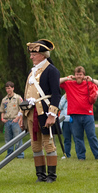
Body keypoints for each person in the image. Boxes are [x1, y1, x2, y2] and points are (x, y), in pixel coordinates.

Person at [19, 39, 61, 182]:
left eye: (34, 54)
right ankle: (40, 175)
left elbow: (56, 94)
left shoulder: (52, 70)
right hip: (31, 112)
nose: (31, 57)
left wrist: (52, 115)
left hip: (44, 112)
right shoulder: (33, 71)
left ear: (43, 55)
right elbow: (27, 94)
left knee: (48, 143)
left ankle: (51, 175)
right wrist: (22, 115)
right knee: (35, 144)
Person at [59, 66, 98, 160]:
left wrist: (91, 79)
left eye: (80, 75)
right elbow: (55, 81)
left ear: (84, 75)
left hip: (88, 115)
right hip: (74, 115)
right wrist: (67, 78)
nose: (79, 76)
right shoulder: (69, 84)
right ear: (74, 75)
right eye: (77, 74)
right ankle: (81, 157)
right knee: (77, 137)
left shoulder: (89, 84)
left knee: (91, 136)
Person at [0, 81, 24, 159]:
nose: (8, 90)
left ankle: (19, 155)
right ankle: (9, 155)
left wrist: (18, 119)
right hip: (7, 121)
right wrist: (2, 118)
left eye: (9, 88)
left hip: (15, 120)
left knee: (17, 138)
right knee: (8, 139)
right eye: (6, 88)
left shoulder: (18, 98)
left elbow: (22, 109)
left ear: (13, 88)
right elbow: (2, 111)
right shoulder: (4, 99)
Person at [58, 94, 74, 159]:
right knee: (67, 139)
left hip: (74, 119)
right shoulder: (64, 97)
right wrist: (65, 98)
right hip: (65, 120)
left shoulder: (75, 95)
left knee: (77, 138)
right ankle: (67, 154)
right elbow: (59, 107)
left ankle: (80, 155)